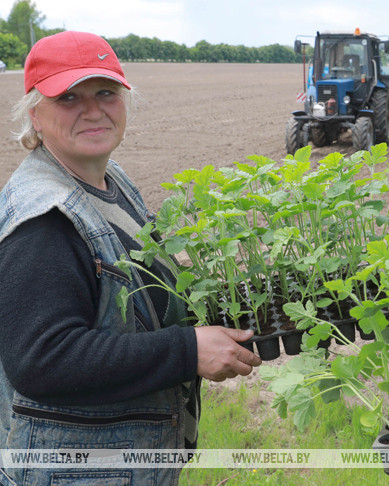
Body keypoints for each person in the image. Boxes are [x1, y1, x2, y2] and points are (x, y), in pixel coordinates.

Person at [0, 31, 262, 485]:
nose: (93, 109)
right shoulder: (44, 220)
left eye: (105, 92)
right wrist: (187, 350)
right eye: (68, 97)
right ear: (35, 115)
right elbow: (42, 359)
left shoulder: (108, 179)